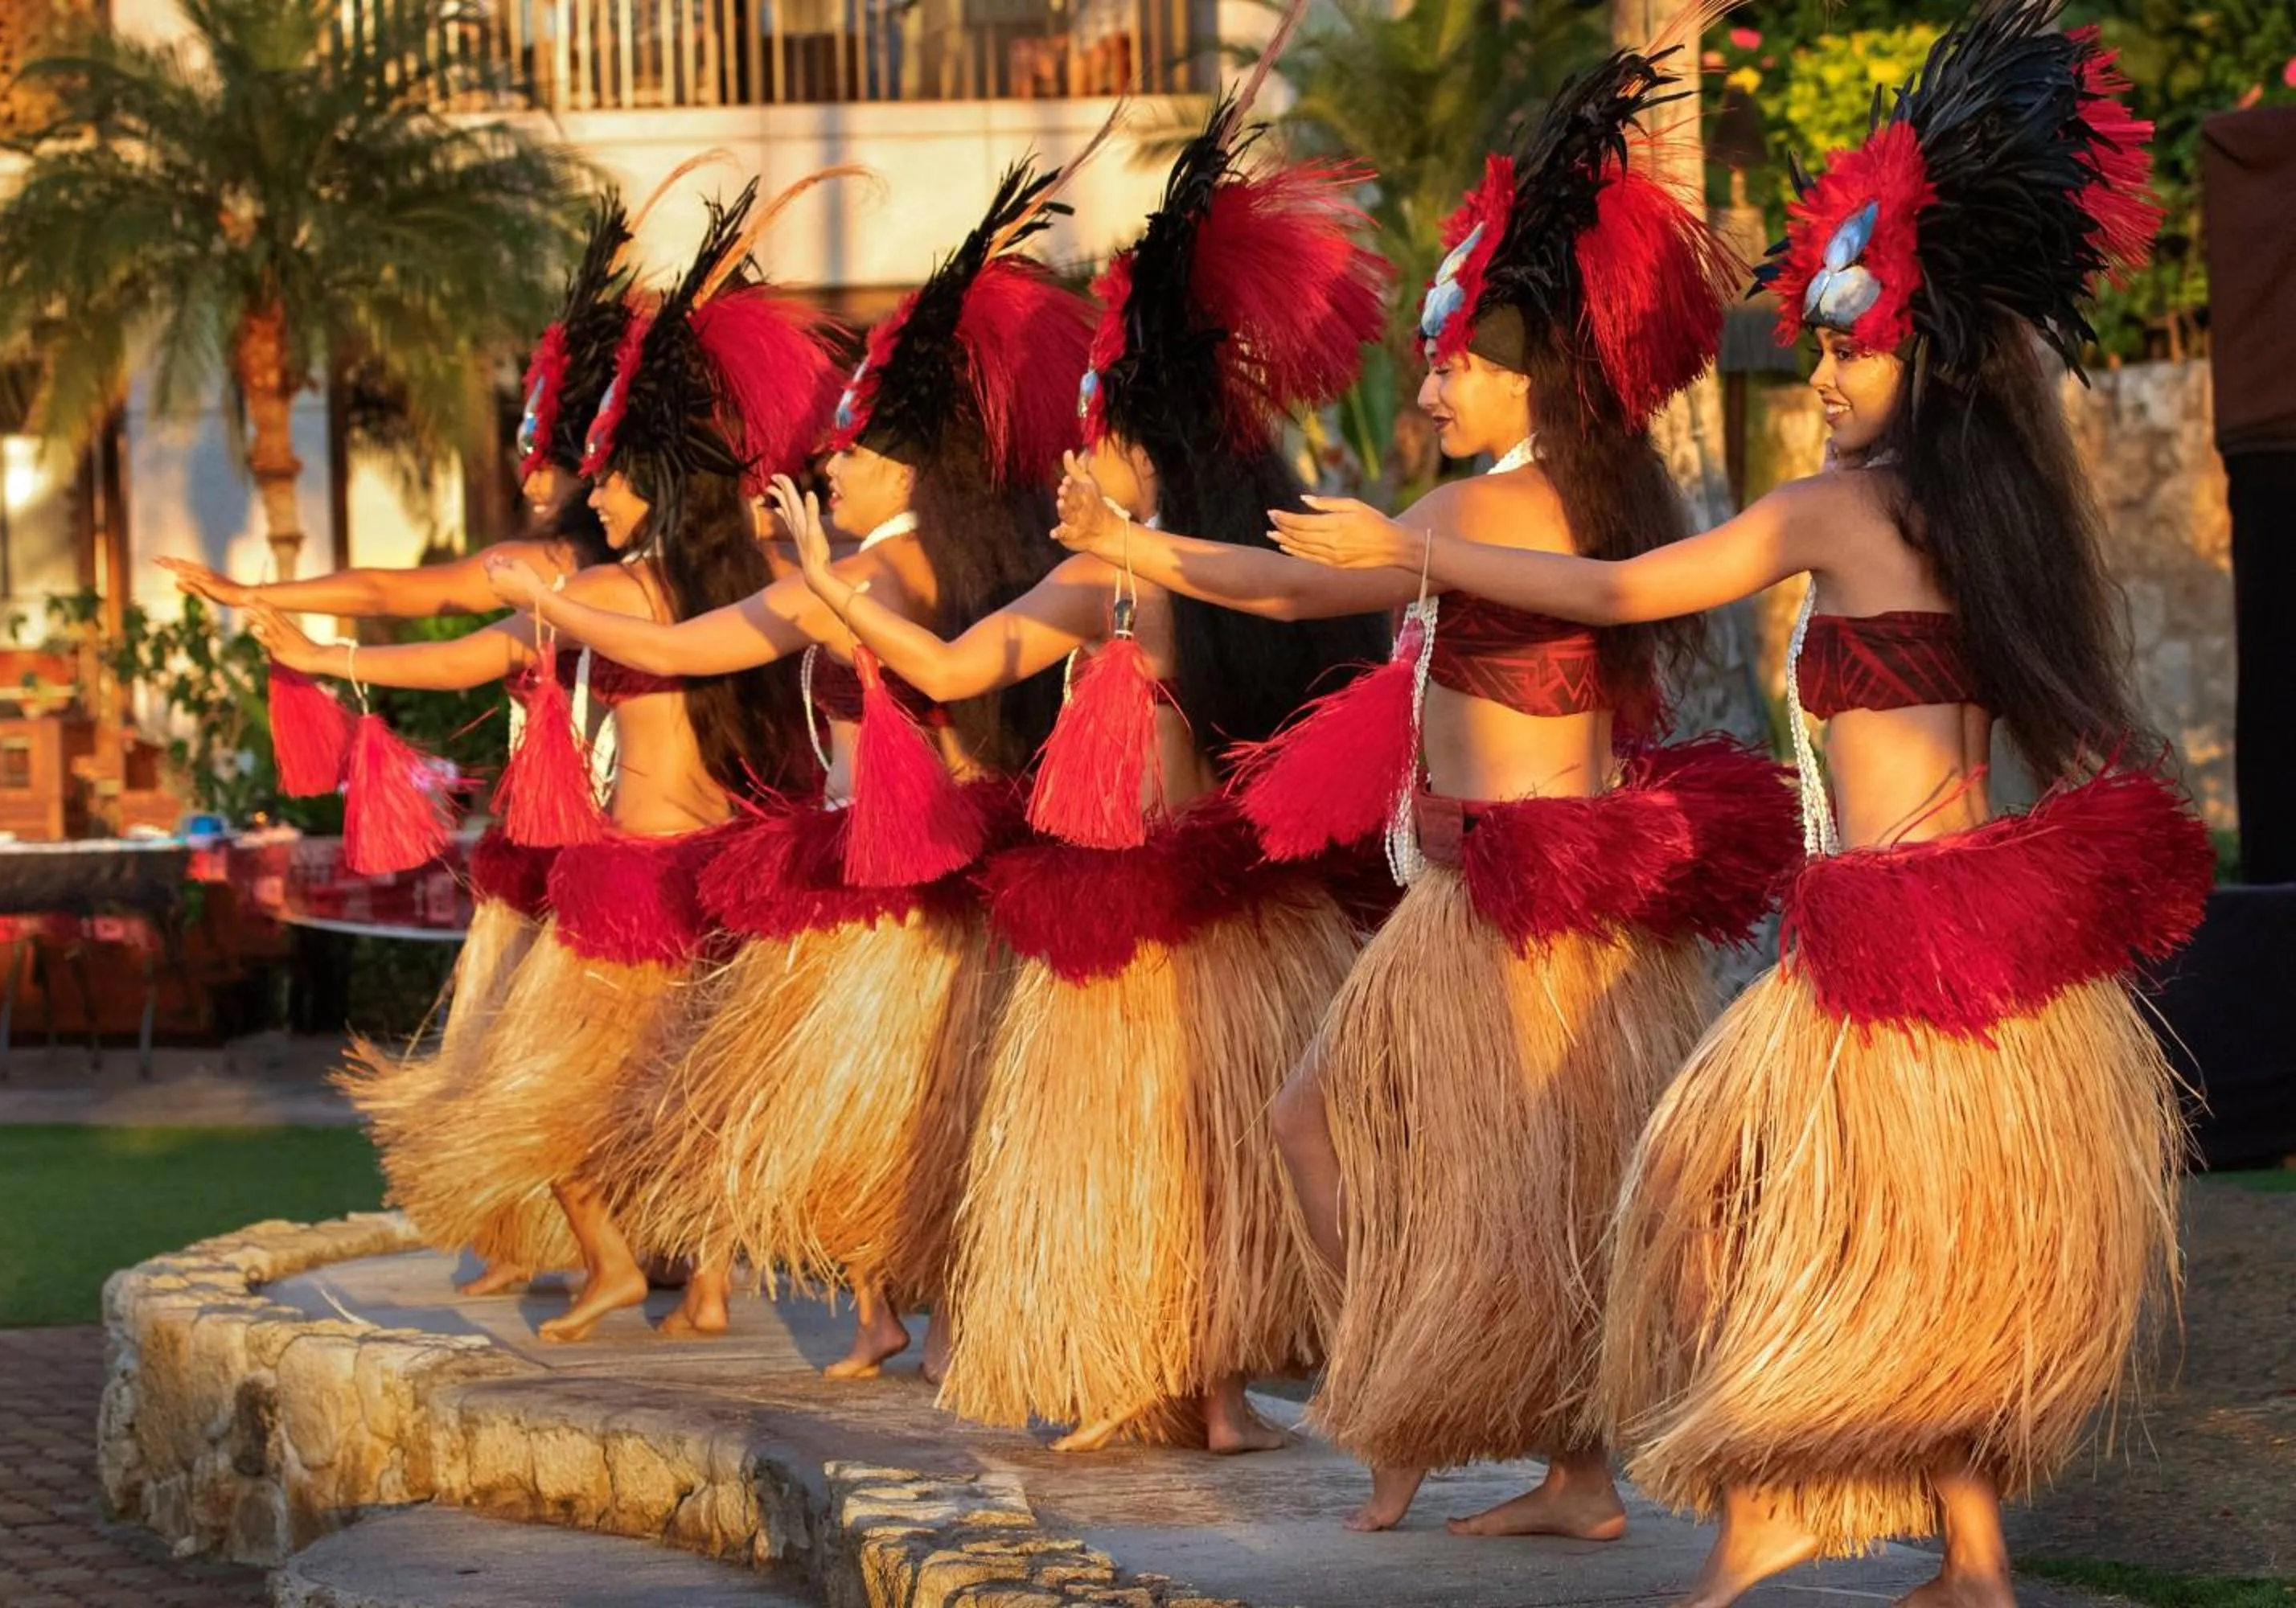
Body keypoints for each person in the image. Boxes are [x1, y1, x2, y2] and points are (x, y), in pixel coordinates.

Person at [1258, 6, 2213, 1602]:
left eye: (1850, 345)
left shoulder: (1834, 509)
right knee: (1932, 1242)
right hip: (1978, 954)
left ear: (1924, 358)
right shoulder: (1989, 517)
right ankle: (1969, 1558)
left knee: (1701, 1204)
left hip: (1878, 960)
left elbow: (1629, 584)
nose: (1824, 371)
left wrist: (1413, 550)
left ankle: (1766, 1514)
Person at [1053, 26, 1794, 1528]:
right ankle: (1540, 1453)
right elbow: (1288, 587)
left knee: (1397, 1143)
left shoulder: (1523, 510)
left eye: (1456, 366)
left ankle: (1463, 1407)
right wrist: (1137, 552)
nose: (1435, 386)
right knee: (1411, 1149)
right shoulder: (1492, 503)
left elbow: (1368, 576)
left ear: (1527, 383)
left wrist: (1398, 551)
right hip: (1472, 897)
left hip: (1528, 910)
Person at [790, 72, 1391, 1453]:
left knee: (1213, 1148)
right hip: (1110, 896)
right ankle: (1173, 1382)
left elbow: (1291, 610)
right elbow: (948, 673)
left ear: (1143, 452)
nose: (1074, 459)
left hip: (1197, 912)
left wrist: (1128, 553)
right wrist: (828, 587)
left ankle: (1220, 1390)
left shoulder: (1178, 574)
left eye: (1096, 440)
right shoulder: (1083, 585)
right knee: (1139, 1151)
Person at [484, 161, 1090, 1373]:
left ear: (905, 470)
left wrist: (556, 612)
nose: (833, 465)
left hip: (891, 871)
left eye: (853, 455)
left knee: (854, 1096)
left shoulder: (865, 577)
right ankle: (887, 1314)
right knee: (905, 1097)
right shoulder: (952, 560)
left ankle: (896, 1312)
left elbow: (683, 645)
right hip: (952, 854)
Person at [252, 183, 841, 1343]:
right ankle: (711, 1289)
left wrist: (332, 650)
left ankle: (617, 1264)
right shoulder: (745, 589)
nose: (598, 494)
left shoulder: (612, 590)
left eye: (615, 476)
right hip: (721, 867)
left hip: (630, 884)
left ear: (658, 485)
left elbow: (472, 650)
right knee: (692, 1094)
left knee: (533, 1095)